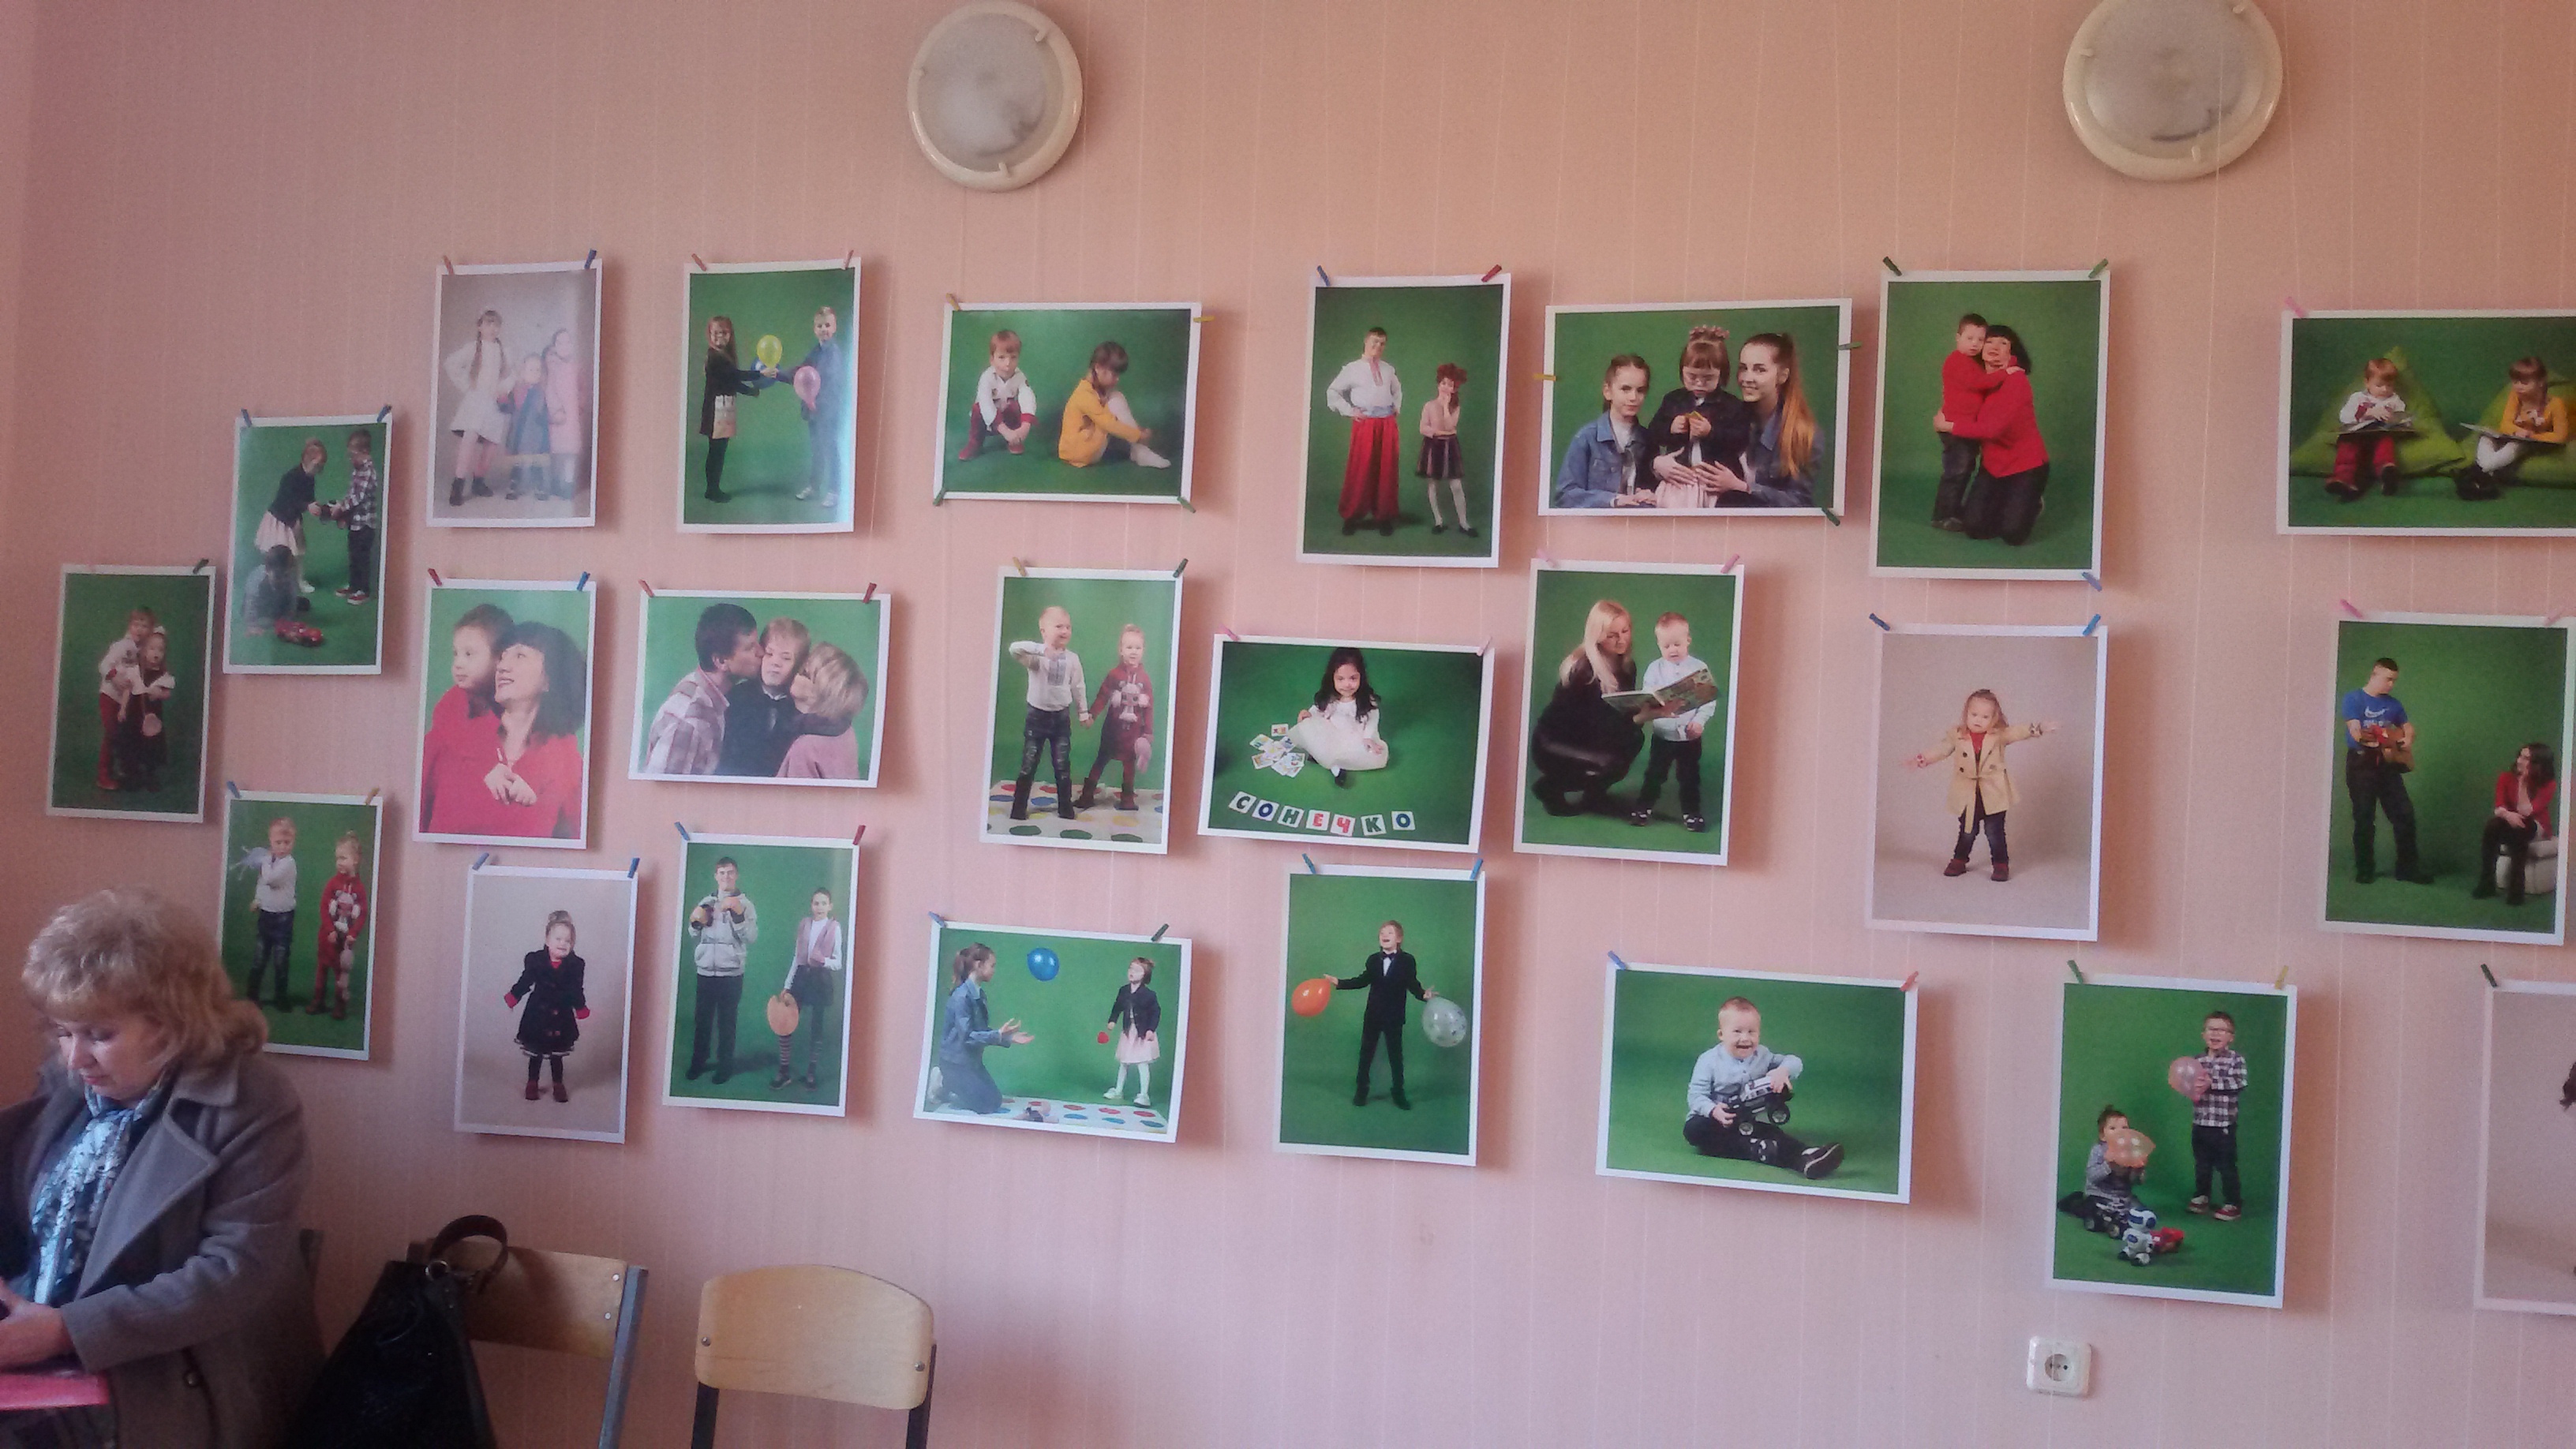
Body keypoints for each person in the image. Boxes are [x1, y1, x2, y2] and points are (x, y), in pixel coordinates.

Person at [0, 888, 321, 1448]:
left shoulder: (252, 1103)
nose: (75, 1058)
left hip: (167, 1379)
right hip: (39, 1364)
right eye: (64, 1032)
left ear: (172, 1022)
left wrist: (67, 1332)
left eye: (100, 1035)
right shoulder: (68, 1088)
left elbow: (233, 1272)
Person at [420, 620, 587, 841]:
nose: (502, 667)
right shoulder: (446, 740)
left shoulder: (566, 764)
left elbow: (575, 845)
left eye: (520, 656)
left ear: (549, 680)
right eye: (501, 657)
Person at [1680, 996, 1842, 1178]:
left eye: (1752, 1032)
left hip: (1746, 1120)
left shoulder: (1763, 1055)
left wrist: (1783, 1070)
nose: (1745, 1038)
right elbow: (1696, 1095)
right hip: (1714, 1121)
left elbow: (1795, 1061)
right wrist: (1713, 1110)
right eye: (1737, 1032)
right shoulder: (1708, 1061)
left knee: (1773, 1133)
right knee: (1694, 1130)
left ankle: (1807, 1156)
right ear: (1721, 1035)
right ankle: (1754, 1148)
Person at [1908, 688, 2054, 882]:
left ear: (1994, 718)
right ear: (1966, 713)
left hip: (1993, 791)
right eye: (1974, 714)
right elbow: (1941, 749)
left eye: (1985, 717)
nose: (1978, 720)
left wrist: (2038, 728)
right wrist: (1922, 759)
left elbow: (2017, 732)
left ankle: (2001, 864)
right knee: (1967, 830)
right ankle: (1959, 860)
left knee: (1995, 831)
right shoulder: (1957, 735)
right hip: (1968, 792)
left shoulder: (1998, 736)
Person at [1528, 600, 1657, 816]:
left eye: (1625, 631)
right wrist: (1641, 717)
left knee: (1634, 739)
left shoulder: (1627, 666)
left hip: (1587, 735)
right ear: (1597, 637)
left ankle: (1594, 796)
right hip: (1554, 744)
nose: (1621, 639)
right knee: (1610, 761)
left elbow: (1618, 714)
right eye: (1612, 635)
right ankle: (1549, 786)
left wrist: (1651, 709)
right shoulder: (1584, 671)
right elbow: (1600, 725)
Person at [1939, 324, 2048, 545]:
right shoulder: (1978, 381)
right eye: (1989, 341)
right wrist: (1944, 413)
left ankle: (2032, 502)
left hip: (2025, 465)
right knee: (1974, 528)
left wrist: (1949, 426)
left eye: (2003, 343)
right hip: (1993, 466)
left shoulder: (2016, 381)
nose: (1994, 347)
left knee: (2012, 534)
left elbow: (1991, 429)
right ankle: (2008, 499)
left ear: (2012, 352)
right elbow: (1959, 404)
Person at [417, 603, 512, 825]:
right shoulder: (456, 698)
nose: (458, 664)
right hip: (435, 775)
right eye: (456, 654)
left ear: (500, 659)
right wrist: (488, 766)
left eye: (469, 654)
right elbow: (452, 727)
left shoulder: (507, 699)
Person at [642, 602, 760, 777]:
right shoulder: (690, 722)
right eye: (750, 648)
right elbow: (665, 790)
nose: (761, 652)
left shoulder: (701, 688)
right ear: (721, 661)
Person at [1642, 327, 1751, 511]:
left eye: (1708, 378)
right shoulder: (1673, 400)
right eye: (1692, 376)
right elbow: (1653, 433)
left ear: (1721, 375)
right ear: (1682, 371)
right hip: (1679, 482)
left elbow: (1741, 439)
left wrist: (1711, 432)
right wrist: (1671, 428)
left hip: (1716, 485)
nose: (1699, 383)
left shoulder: (1731, 405)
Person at [2340, 657, 2428, 885]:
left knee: (2404, 814)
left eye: (2394, 680)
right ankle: (2365, 869)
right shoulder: (2354, 699)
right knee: (2364, 817)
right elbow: (2355, 729)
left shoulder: (2394, 704)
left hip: (2388, 765)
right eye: (2388, 679)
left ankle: (2407, 869)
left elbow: (2408, 728)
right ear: (2375, 673)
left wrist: (2407, 740)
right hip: (2361, 764)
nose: (2391, 684)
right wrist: (2367, 739)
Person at [1331, 921, 1433, 1110]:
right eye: (1382, 933)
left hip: (1394, 1016)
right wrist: (1339, 982)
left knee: (1396, 1056)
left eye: (1390, 933)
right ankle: (1361, 1090)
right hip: (1373, 1015)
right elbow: (1362, 980)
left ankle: (1398, 1092)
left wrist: (1423, 995)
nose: (1385, 936)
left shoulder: (1407, 960)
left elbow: (1412, 983)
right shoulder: (1373, 960)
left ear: (1399, 938)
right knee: (1366, 1054)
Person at [1629, 612, 1715, 833]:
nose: (1672, 650)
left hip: (1690, 737)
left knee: (1689, 777)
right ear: (1659, 645)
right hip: (1663, 736)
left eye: (1677, 644)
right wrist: (1655, 706)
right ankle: (1643, 808)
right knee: (1654, 774)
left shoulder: (1698, 668)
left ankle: (1692, 813)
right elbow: (1648, 697)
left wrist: (1699, 723)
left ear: (1688, 640)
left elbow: (1708, 701)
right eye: (1666, 646)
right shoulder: (1654, 669)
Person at [1006, 605, 1089, 822]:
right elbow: (1014, 649)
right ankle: (1018, 808)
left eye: (1068, 627)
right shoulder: (1035, 658)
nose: (1065, 631)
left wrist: (1083, 712)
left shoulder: (1073, 659)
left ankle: (1065, 808)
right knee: (1028, 765)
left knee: (1062, 766)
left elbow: (1078, 686)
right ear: (1043, 631)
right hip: (1037, 717)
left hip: (1061, 719)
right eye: (1059, 626)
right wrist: (1040, 650)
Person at [930, 942, 1028, 1114]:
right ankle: (943, 1081)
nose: (994, 970)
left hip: (971, 1062)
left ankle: (951, 1085)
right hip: (955, 1063)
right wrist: (998, 1034)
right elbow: (968, 1037)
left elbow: (980, 1031)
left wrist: (1007, 1038)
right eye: (992, 965)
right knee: (985, 1106)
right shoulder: (961, 997)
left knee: (995, 1101)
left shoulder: (979, 994)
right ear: (978, 965)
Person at [1730, 332, 1825, 509]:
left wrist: (1745, 488)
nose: (1747, 378)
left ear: (1782, 376)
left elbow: (1800, 503)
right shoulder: (1729, 417)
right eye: (1743, 368)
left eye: (1760, 370)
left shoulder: (1803, 434)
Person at [1324, 326, 1403, 536]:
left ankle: (1383, 516)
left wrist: (1396, 406)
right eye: (1375, 341)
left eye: (1382, 343)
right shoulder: (1352, 369)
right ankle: (1352, 516)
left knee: (1386, 469)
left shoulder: (1388, 369)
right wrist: (1350, 411)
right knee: (1360, 468)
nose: (1378, 346)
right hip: (1365, 424)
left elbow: (1397, 390)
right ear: (1366, 341)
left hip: (1386, 424)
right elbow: (1333, 392)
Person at [684, 859, 757, 1085]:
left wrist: (738, 915)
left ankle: (725, 1066)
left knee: (727, 1022)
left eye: (730, 873)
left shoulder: (746, 904)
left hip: (731, 973)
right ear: (716, 876)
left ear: (737, 875)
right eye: (722, 873)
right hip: (705, 971)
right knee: (702, 1021)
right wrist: (696, 922)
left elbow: (751, 937)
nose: (726, 877)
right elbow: (692, 933)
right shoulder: (706, 901)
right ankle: (699, 1061)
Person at [504, 909, 588, 1103]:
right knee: (536, 1052)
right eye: (558, 939)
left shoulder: (575, 965)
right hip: (538, 1013)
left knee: (557, 1054)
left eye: (568, 941)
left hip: (562, 1014)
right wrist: (514, 996)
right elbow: (525, 981)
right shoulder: (536, 961)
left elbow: (576, 989)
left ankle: (558, 1084)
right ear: (547, 940)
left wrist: (580, 1007)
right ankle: (532, 1082)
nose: (563, 944)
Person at [2457, 355, 2568, 500]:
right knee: (2485, 437)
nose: (2519, 386)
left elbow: (2560, 436)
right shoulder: (2515, 397)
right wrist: (2516, 431)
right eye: (2515, 382)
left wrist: (2531, 435)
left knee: (2514, 446)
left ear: (2540, 382)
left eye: (2525, 382)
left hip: (2529, 442)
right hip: (2512, 435)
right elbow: (2506, 423)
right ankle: (2483, 477)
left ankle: (2477, 471)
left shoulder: (2555, 404)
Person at [715, 618, 814, 778]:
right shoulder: (736, 698)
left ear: (800, 665)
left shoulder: (801, 707)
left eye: (786, 658)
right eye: (769, 654)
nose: (775, 662)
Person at [1550, 355, 1653, 509]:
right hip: (1598, 523)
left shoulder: (1648, 440)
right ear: (1607, 391)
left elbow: (1653, 491)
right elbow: (1565, 496)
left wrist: (1651, 496)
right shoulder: (1586, 438)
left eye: (1640, 390)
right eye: (1625, 389)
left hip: (1636, 522)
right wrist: (1613, 500)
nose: (1633, 397)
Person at [1075, 624, 1155, 811]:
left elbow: (1149, 708)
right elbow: (1102, 696)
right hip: (1112, 731)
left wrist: (1148, 732)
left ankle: (1127, 800)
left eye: (1138, 648)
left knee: (1129, 765)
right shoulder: (1114, 675)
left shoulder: (1145, 679)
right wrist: (1092, 715)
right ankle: (1087, 796)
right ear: (1121, 650)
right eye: (1129, 647)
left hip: (1133, 733)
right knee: (1101, 760)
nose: (1133, 651)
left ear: (1143, 650)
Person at [696, 315, 775, 504]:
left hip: (724, 410)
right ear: (710, 335)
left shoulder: (725, 356)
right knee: (716, 452)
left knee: (719, 451)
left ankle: (713, 487)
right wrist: (760, 373)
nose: (719, 337)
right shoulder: (714, 357)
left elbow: (732, 382)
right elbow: (736, 375)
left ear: (730, 335)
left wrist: (750, 392)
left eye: (723, 333)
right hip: (715, 412)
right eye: (715, 333)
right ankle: (712, 489)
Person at [1933, 313, 2002, 527]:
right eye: (1969, 338)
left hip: (1966, 428)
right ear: (1958, 338)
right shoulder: (1956, 361)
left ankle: (1953, 510)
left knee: (1964, 469)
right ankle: (1943, 515)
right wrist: (2005, 372)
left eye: (1980, 340)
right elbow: (1979, 383)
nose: (1975, 344)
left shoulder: (1973, 362)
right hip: (1954, 428)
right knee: (1957, 470)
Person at [1057, 340, 1171, 470]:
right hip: (1079, 453)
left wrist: (1136, 431)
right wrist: (1139, 436)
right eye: (1114, 374)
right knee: (1116, 399)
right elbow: (1109, 424)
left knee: (1113, 399)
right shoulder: (1084, 396)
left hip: (1077, 450)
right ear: (1098, 368)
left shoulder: (1090, 391)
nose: (1117, 379)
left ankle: (1139, 452)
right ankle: (1141, 452)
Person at [771, 888, 843, 1091]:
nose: (820, 907)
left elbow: (838, 962)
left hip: (820, 980)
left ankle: (811, 1072)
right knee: (785, 1023)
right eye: (816, 903)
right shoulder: (804, 925)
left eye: (824, 903)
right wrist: (787, 985)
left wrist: (824, 961)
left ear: (830, 906)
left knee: (816, 1026)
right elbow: (797, 957)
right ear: (811, 905)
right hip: (801, 977)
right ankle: (784, 1071)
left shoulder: (834, 927)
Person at [1286, 646, 1387, 786]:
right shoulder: (1330, 697)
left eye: (1353, 678)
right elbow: (1319, 709)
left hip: (1355, 736)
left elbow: (1373, 719)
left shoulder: (1366, 700)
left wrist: (1368, 737)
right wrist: (1309, 715)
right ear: (1332, 678)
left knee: (1374, 754)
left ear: (1361, 677)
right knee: (1308, 729)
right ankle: (1334, 767)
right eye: (1340, 679)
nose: (1347, 685)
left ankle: (1332, 763)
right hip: (1331, 731)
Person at [2473, 742, 2558, 905]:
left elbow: (2527, 811)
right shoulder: (2505, 777)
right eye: (2520, 756)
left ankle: (2516, 890)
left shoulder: (2548, 784)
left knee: (2520, 829)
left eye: (2526, 758)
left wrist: (2522, 783)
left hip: (2537, 826)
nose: (2519, 760)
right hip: (2510, 821)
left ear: (2538, 764)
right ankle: (2487, 883)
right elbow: (2499, 808)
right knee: (2492, 826)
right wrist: (2509, 815)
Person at [443, 308, 511, 507]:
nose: (492, 328)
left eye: (496, 325)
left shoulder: (504, 352)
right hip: (476, 402)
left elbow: (512, 374)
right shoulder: (473, 348)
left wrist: (503, 388)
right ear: (480, 326)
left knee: (491, 445)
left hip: (494, 405)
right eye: (488, 324)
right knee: (469, 441)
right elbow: (450, 364)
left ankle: (479, 481)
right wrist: (467, 385)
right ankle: (458, 483)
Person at [230, 818, 298, 1012]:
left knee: (281, 960)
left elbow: (270, 879)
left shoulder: (288, 863)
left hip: (284, 918)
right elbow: (262, 883)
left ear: (293, 842)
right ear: (271, 841)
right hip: (266, 916)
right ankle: (252, 996)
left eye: (287, 843)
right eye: (278, 842)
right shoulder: (270, 861)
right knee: (259, 958)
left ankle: (281, 997)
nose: (283, 847)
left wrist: (265, 860)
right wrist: (258, 900)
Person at [2186, 1010, 2248, 1222]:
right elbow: (2190, 1085)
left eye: (2222, 1030)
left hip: (2223, 1126)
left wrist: (2212, 1083)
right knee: (2202, 1164)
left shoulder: (2235, 1060)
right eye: (2211, 1029)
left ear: (2231, 1037)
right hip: (2200, 1123)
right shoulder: (2197, 1061)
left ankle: (2233, 1203)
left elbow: (2239, 1083)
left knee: (2226, 1165)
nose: (2215, 1034)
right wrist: (2190, 1089)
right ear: (2203, 1034)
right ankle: (2202, 1196)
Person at [777, 642, 870, 781]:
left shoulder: (805, 748)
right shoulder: (846, 730)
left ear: (819, 692)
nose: (795, 674)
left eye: (805, 673)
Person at [256, 439, 328, 608]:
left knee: (299, 552)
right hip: (280, 519)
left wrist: (316, 507)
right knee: (278, 553)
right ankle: (271, 580)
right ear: (307, 461)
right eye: (317, 465)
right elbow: (288, 500)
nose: (319, 469)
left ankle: (299, 580)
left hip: (293, 519)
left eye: (321, 466)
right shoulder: (290, 477)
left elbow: (308, 498)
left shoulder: (310, 479)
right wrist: (306, 507)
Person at [2327, 357, 2409, 501]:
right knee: (2347, 447)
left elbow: (2404, 418)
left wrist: (2394, 419)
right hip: (2357, 434)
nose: (2385, 389)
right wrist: (2367, 413)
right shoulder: (2358, 398)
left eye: (2389, 385)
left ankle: (2387, 471)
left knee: (2386, 442)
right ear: (2367, 383)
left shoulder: (2394, 400)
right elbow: (2344, 417)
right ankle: (2343, 479)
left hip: (2379, 433)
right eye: (2379, 385)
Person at [792, 305, 849, 504]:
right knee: (817, 449)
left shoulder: (834, 353)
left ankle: (834, 491)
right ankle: (814, 486)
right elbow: (801, 373)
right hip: (814, 409)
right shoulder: (815, 352)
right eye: (820, 326)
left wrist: (818, 401)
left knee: (831, 448)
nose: (824, 329)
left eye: (827, 325)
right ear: (814, 329)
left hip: (828, 410)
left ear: (834, 327)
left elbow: (831, 382)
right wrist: (778, 374)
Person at [2057, 1105, 2145, 1234]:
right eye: (2113, 1128)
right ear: (2103, 1136)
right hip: (2099, 1196)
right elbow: (2092, 1176)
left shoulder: (2129, 1152)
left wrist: (2138, 1170)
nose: (2120, 1132)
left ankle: (2118, 1219)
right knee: (2091, 1209)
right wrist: (2107, 1165)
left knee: (2140, 1210)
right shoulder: (2099, 1150)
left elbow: (2134, 1181)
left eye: (2124, 1128)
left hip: (2122, 1198)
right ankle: (2073, 1203)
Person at [90, 609, 152, 793]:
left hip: (127, 700)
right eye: (136, 625)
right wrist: (114, 677)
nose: (139, 629)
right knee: (111, 733)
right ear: (129, 626)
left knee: (127, 734)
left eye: (144, 626)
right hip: (110, 696)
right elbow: (103, 665)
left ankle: (125, 769)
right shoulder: (121, 646)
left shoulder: (145, 650)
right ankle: (103, 775)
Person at [108, 630, 176, 792]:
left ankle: (150, 775)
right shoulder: (135, 671)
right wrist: (123, 709)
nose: (156, 653)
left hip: (152, 716)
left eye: (160, 650)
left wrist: (159, 694)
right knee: (131, 742)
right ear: (144, 651)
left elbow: (168, 693)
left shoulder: (163, 675)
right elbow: (127, 690)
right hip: (134, 713)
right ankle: (132, 775)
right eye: (152, 649)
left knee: (151, 744)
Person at [309, 833, 366, 1020]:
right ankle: (318, 1000)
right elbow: (324, 908)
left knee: (341, 973)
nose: (339, 863)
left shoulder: (359, 889)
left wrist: (353, 933)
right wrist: (330, 930)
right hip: (328, 938)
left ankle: (340, 1005)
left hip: (345, 942)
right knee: (322, 969)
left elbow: (362, 914)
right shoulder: (332, 884)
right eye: (337, 859)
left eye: (343, 858)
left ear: (355, 860)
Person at [960, 330, 1035, 459]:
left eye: (1013, 357)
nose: (1008, 363)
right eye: (1002, 357)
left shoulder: (1020, 376)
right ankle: (975, 444)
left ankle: (1014, 440)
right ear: (992, 360)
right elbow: (986, 404)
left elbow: (1027, 397)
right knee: (977, 409)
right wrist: (1004, 431)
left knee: (1016, 406)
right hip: (987, 419)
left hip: (1007, 416)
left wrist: (1025, 426)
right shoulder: (987, 378)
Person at [1417, 362, 1473, 534]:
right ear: (1438, 384)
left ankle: (1464, 523)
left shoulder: (1456, 407)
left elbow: (1450, 426)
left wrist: (1445, 408)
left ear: (1454, 389)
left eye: (1450, 385)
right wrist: (1438, 432)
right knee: (1433, 484)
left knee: (1456, 485)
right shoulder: (1428, 406)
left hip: (1450, 446)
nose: (1445, 387)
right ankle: (1438, 521)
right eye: (1443, 383)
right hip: (1433, 446)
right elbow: (1423, 428)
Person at [1101, 956, 1161, 1108]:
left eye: (1137, 970)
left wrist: (1151, 1029)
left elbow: (1155, 1013)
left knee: (1142, 1063)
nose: (1132, 972)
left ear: (1144, 975)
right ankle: (1118, 1090)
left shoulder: (1149, 995)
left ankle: (1144, 1094)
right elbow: (1117, 1007)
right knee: (1124, 1062)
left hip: (1142, 1034)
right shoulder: (1124, 991)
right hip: (1129, 1032)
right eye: (1130, 968)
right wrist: (1112, 1020)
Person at [328, 428, 378, 604]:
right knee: (353, 556)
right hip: (355, 523)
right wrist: (343, 513)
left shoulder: (369, 471)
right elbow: (351, 494)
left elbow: (358, 497)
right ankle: (354, 585)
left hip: (365, 524)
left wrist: (341, 507)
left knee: (362, 558)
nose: (351, 459)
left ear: (365, 452)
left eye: (353, 455)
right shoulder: (357, 470)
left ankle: (363, 590)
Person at [543, 327, 588, 504]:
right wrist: (555, 410)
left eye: (568, 342)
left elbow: (582, 389)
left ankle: (568, 484)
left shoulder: (577, 366)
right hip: (558, 416)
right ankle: (556, 481)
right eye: (560, 343)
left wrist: (580, 406)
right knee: (557, 452)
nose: (564, 346)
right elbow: (549, 391)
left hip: (572, 416)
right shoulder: (552, 366)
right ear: (554, 346)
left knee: (571, 452)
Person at [498, 354, 551, 502]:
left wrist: (545, 418)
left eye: (538, 370)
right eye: (531, 370)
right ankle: (514, 484)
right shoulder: (517, 390)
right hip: (519, 431)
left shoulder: (543, 392)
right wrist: (502, 401)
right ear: (523, 372)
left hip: (537, 432)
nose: (535, 373)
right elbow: (508, 407)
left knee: (537, 459)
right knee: (518, 460)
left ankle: (539, 485)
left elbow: (547, 411)